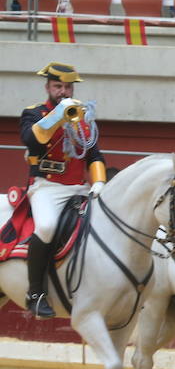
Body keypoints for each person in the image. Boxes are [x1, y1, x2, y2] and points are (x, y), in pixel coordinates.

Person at [19, 63, 105, 318]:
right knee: (45, 227)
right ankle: (35, 293)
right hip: (47, 186)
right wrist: (59, 115)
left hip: (80, 187)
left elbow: (94, 154)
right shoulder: (34, 113)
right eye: (58, 86)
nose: (63, 91)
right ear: (48, 87)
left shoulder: (83, 118)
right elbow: (32, 140)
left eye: (68, 87)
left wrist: (99, 182)